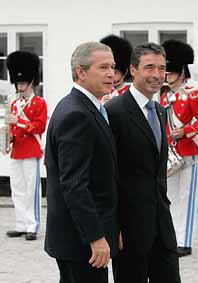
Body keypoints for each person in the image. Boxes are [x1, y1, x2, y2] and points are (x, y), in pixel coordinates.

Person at [105, 42, 181, 283]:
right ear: (133, 70)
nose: (157, 75)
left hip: (162, 228)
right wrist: (113, 226)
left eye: (162, 68)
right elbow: (108, 174)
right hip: (129, 231)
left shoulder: (160, 111)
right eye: (150, 67)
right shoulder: (113, 111)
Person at [44, 42, 119, 283]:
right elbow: (75, 185)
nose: (111, 74)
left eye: (113, 67)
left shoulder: (88, 107)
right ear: (81, 72)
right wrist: (96, 237)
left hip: (83, 237)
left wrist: (111, 228)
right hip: (80, 242)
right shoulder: (77, 114)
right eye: (103, 67)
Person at [160, 39, 198, 257]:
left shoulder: (192, 93)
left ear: (182, 71)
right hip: (171, 154)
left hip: (189, 152)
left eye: (171, 71)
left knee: (187, 198)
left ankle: (184, 241)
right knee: (171, 197)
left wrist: (185, 131)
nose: (167, 75)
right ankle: (172, 237)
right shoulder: (166, 96)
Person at [5, 50, 48, 241]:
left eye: (23, 82)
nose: (20, 85)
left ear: (31, 83)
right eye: (18, 82)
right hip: (17, 151)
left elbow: (39, 127)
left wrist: (19, 122)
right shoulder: (14, 104)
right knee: (18, 189)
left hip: (31, 150)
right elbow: (13, 129)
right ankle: (21, 224)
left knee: (32, 189)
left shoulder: (39, 103)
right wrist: (7, 138)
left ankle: (32, 225)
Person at [100, 34, 133, 104]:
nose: (111, 75)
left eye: (115, 72)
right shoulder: (98, 91)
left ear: (125, 72)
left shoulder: (131, 92)